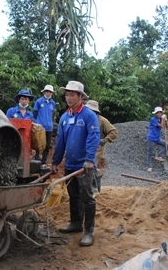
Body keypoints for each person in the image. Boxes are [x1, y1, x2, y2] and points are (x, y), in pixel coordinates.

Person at [51, 81, 100, 247]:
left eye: (72, 94)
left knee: (87, 196)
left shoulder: (88, 115)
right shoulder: (65, 117)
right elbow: (60, 141)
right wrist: (56, 161)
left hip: (84, 165)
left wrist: (89, 159)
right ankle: (76, 223)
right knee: (73, 195)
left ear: (80, 97)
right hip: (70, 164)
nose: (68, 97)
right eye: (66, 94)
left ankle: (89, 231)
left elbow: (94, 137)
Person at [85, 100, 118, 195]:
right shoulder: (84, 119)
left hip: (97, 149)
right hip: (86, 147)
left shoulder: (102, 121)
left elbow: (114, 131)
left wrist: (104, 140)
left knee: (92, 167)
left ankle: (94, 189)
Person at [33, 84, 56, 167]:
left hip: (49, 127)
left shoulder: (52, 103)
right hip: (40, 127)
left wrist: (51, 123)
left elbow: (52, 114)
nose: (48, 93)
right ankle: (36, 159)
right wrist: (36, 124)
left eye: (50, 92)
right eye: (47, 91)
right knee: (38, 144)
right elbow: (34, 114)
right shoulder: (39, 101)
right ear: (44, 92)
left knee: (47, 145)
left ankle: (44, 161)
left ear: (52, 93)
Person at [146, 106, 168, 172]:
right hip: (151, 138)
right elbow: (161, 126)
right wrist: (163, 120)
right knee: (150, 153)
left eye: (160, 113)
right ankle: (149, 166)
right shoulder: (153, 119)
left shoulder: (161, 119)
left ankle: (159, 155)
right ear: (155, 113)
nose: (159, 114)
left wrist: (166, 120)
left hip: (157, 138)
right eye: (158, 113)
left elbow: (167, 127)